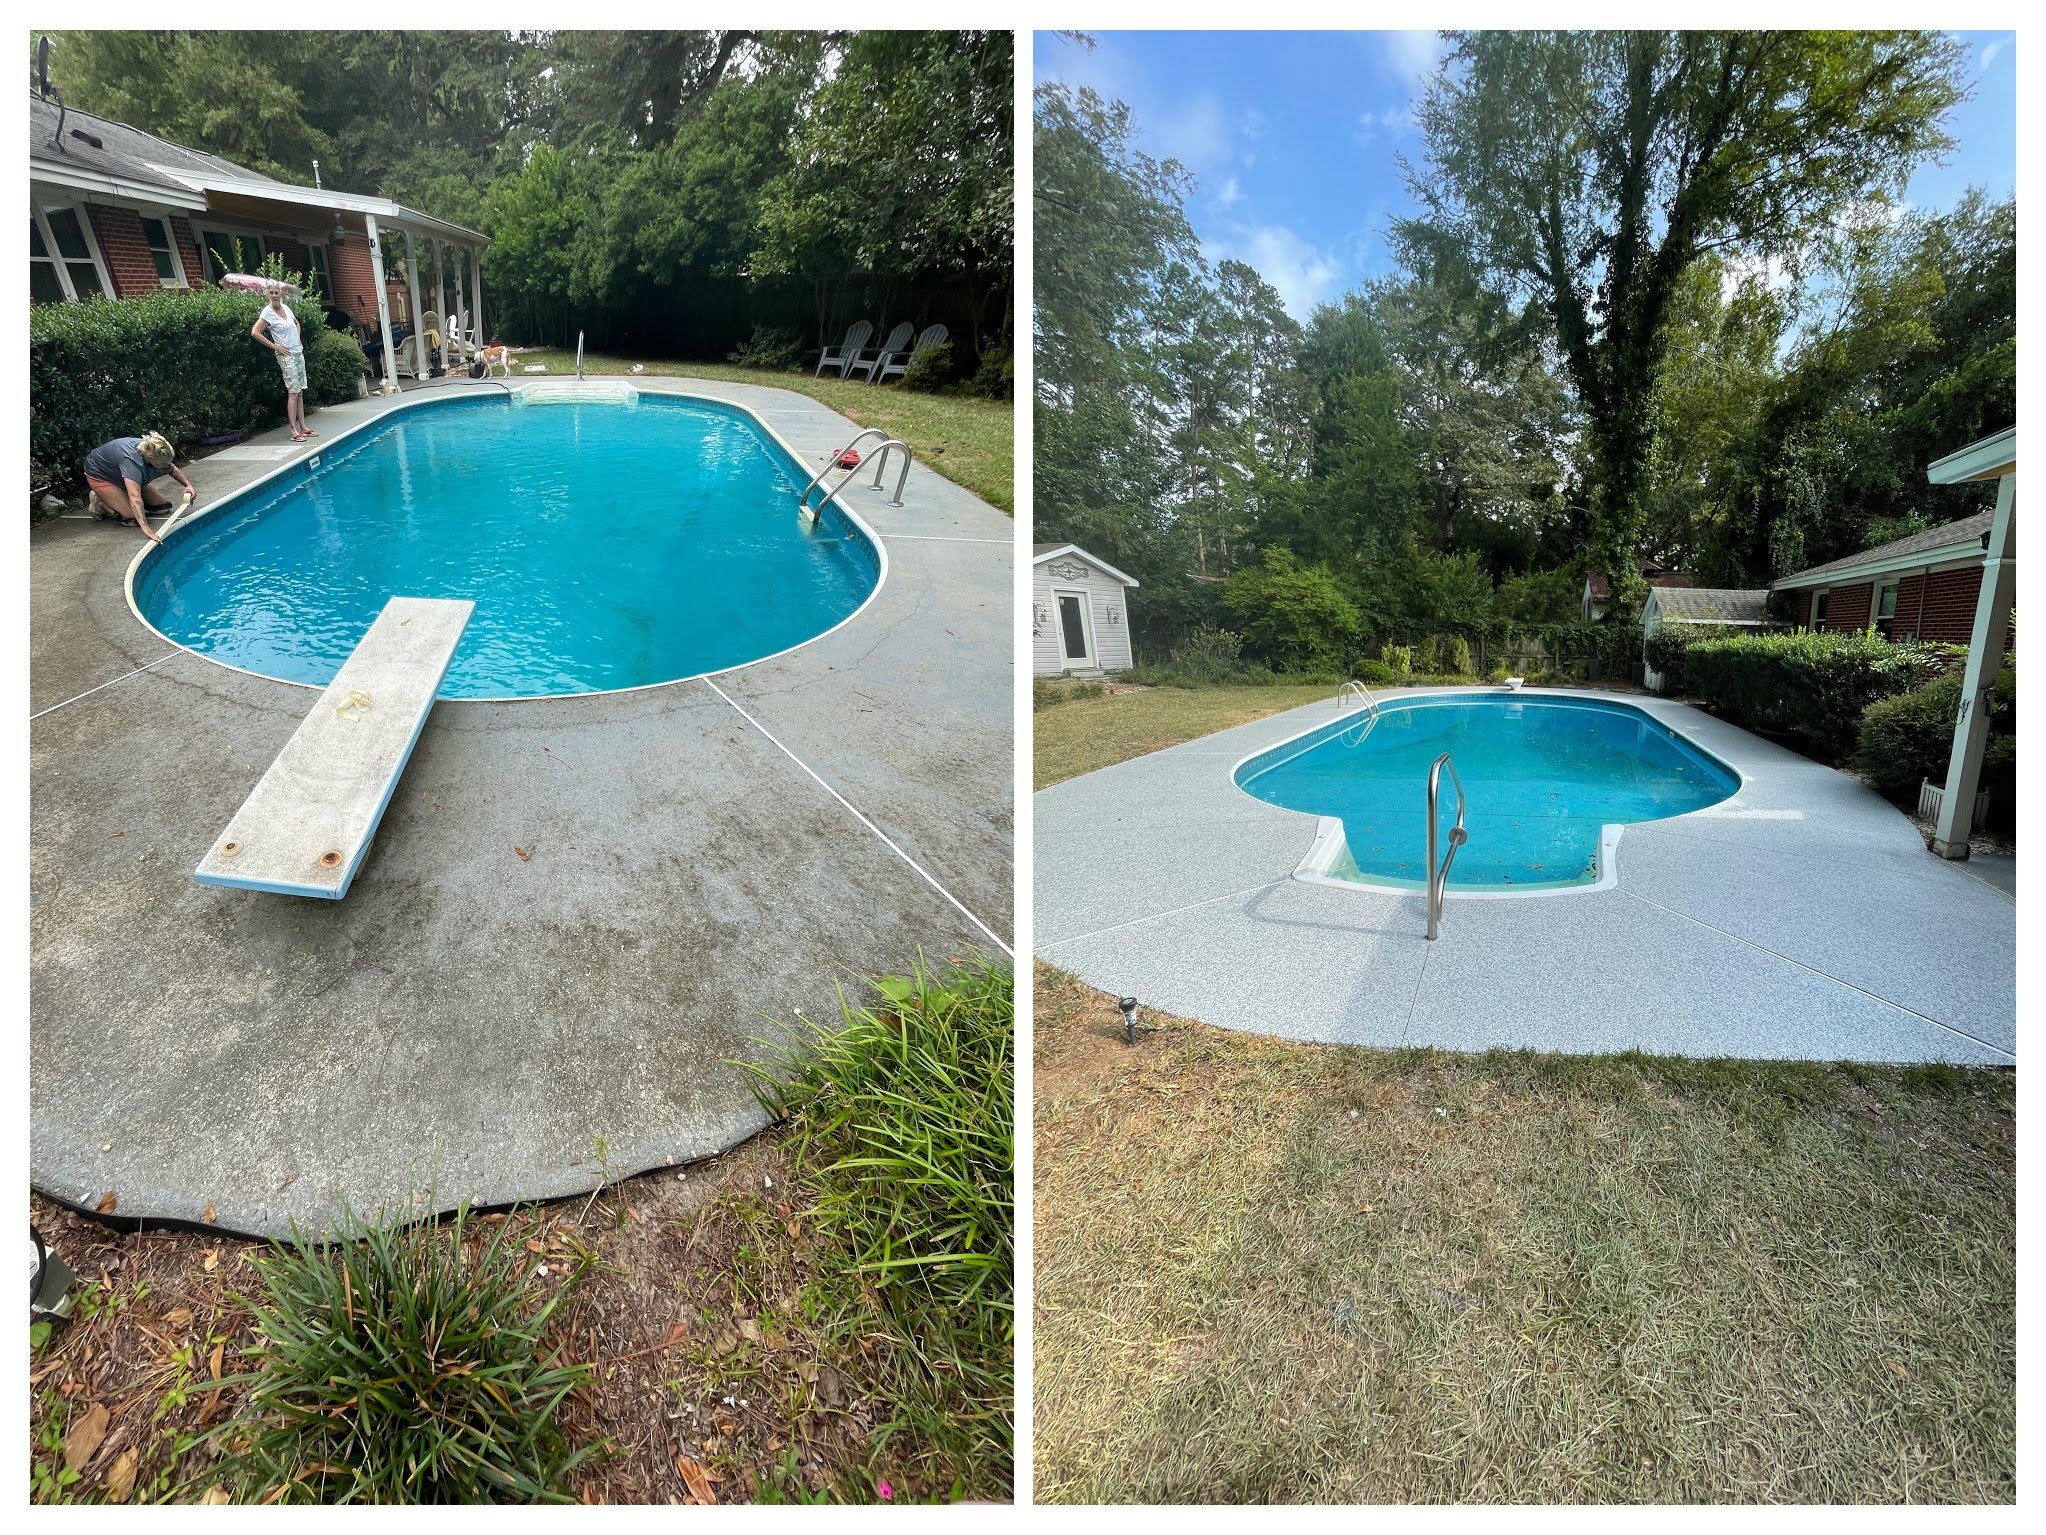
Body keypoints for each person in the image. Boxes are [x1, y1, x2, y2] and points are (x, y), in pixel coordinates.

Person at [83, 432, 195, 545]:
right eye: (163, 464)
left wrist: (188, 485)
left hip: (123, 474)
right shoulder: (131, 460)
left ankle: (120, 495)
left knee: (163, 508)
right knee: (132, 518)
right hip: (101, 475)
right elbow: (135, 497)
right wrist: (146, 528)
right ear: (151, 456)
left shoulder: (152, 449)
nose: (166, 466)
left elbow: (171, 469)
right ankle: (100, 503)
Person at [251, 281, 314, 441]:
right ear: (268, 294)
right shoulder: (267, 312)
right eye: (271, 293)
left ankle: (303, 427)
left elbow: (296, 324)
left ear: (281, 293)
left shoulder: (286, 308)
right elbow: (255, 332)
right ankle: (294, 430)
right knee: (293, 392)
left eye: (276, 292)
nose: (274, 295)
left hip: (297, 352)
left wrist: (297, 339)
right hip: (286, 356)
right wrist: (275, 346)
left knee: (300, 392)